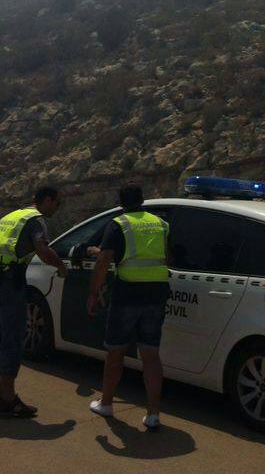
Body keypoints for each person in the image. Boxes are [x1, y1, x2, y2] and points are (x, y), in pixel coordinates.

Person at [87, 184, 169, 432]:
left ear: (120, 202)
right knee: (151, 355)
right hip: (157, 294)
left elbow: (104, 260)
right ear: (143, 200)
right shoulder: (161, 224)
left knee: (116, 351)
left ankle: (107, 403)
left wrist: (93, 292)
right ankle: (153, 414)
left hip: (128, 294)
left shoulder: (119, 224)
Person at [0, 185, 68, 417]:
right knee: (14, 336)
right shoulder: (36, 220)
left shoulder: (11, 216)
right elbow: (42, 249)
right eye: (58, 203)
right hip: (9, 282)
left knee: (0, 335)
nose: (58, 208)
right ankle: (8, 400)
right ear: (47, 200)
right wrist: (60, 266)